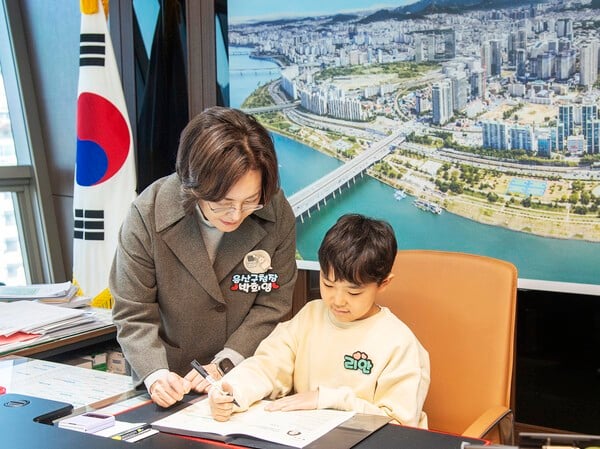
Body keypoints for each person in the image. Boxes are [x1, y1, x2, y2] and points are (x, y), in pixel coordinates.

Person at [110, 106, 298, 408]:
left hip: (244, 380)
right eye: (223, 202)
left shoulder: (275, 211)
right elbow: (133, 311)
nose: (236, 214)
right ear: (193, 183)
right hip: (171, 381)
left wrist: (227, 362)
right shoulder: (147, 213)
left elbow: (272, 305)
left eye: (250, 201)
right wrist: (156, 375)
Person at [209, 214, 430, 427]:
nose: (338, 300)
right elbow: (269, 365)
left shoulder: (399, 343)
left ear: (384, 283)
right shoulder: (310, 315)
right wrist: (233, 390)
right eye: (328, 284)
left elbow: (399, 426)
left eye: (354, 293)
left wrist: (327, 399)